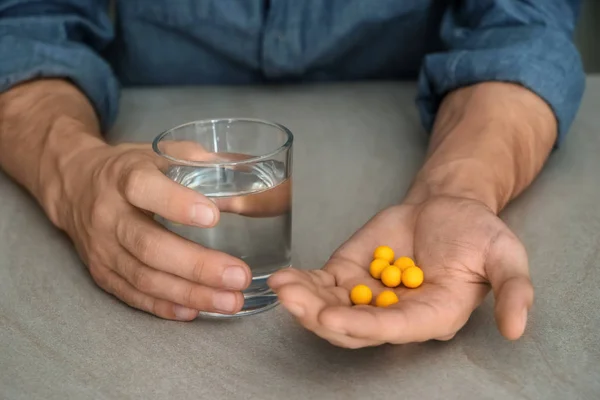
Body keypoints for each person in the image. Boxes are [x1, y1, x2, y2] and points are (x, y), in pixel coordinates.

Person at [0, 0, 585, 348]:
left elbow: (522, 26)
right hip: (144, 112)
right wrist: (70, 168)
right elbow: (25, 20)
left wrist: (457, 189)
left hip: (404, 115)